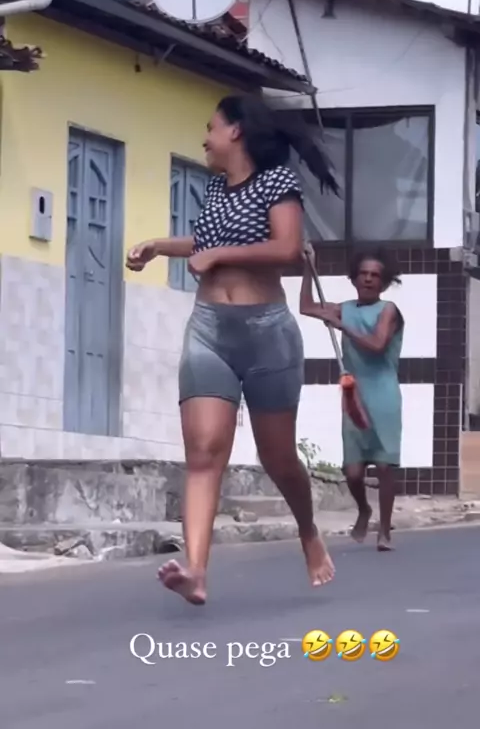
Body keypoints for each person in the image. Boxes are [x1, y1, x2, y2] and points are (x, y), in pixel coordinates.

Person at [125, 95, 339, 604]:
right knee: (203, 453)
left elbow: (287, 248)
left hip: (267, 333)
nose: (205, 138)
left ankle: (308, 530)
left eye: (211, 127)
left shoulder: (277, 183)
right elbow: (203, 244)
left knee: (278, 458)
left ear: (236, 131)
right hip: (208, 330)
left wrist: (219, 254)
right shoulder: (217, 189)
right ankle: (196, 572)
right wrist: (158, 245)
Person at [299, 247, 404, 552]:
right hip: (354, 395)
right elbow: (306, 306)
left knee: (384, 466)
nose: (368, 279)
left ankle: (384, 531)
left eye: (375, 275)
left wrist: (342, 325)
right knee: (353, 471)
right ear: (354, 278)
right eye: (363, 274)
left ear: (384, 282)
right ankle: (363, 509)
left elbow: (377, 345)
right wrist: (308, 268)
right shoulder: (345, 308)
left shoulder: (389, 310)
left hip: (383, 394)